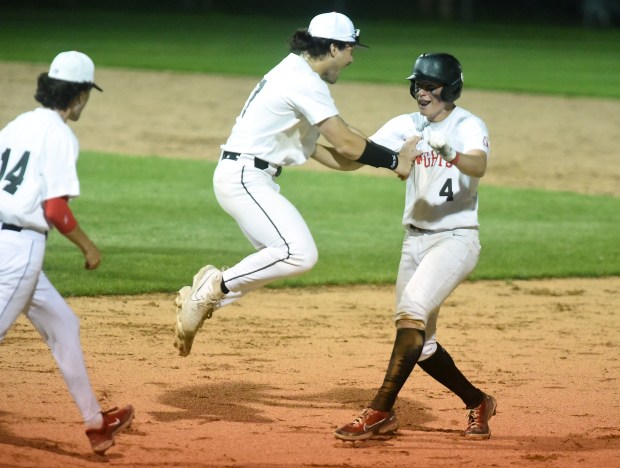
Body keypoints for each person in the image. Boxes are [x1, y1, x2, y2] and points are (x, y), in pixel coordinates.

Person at [173, 12, 420, 357]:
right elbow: (348, 143)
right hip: (245, 178)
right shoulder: (304, 83)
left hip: (247, 177)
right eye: (350, 49)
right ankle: (211, 287)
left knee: (273, 257)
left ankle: (207, 293)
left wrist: (387, 153)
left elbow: (339, 156)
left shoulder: (293, 72)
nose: (351, 58)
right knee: (298, 254)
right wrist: (394, 160)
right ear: (333, 47)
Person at [334, 52, 496, 441]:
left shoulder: (468, 125)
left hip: (455, 239)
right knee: (422, 345)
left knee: (411, 314)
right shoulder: (406, 124)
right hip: (414, 241)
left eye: (429, 86)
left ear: (450, 88)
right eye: (417, 85)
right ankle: (478, 402)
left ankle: (380, 412)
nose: (421, 93)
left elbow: (478, 165)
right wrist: (311, 147)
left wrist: (450, 153)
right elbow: (356, 157)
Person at [0, 51, 134, 455]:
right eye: (86, 94)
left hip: (9, 244)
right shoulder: (60, 135)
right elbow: (55, 210)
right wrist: (89, 248)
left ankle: (96, 423)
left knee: (63, 325)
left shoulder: (17, 124)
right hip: (17, 250)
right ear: (77, 95)